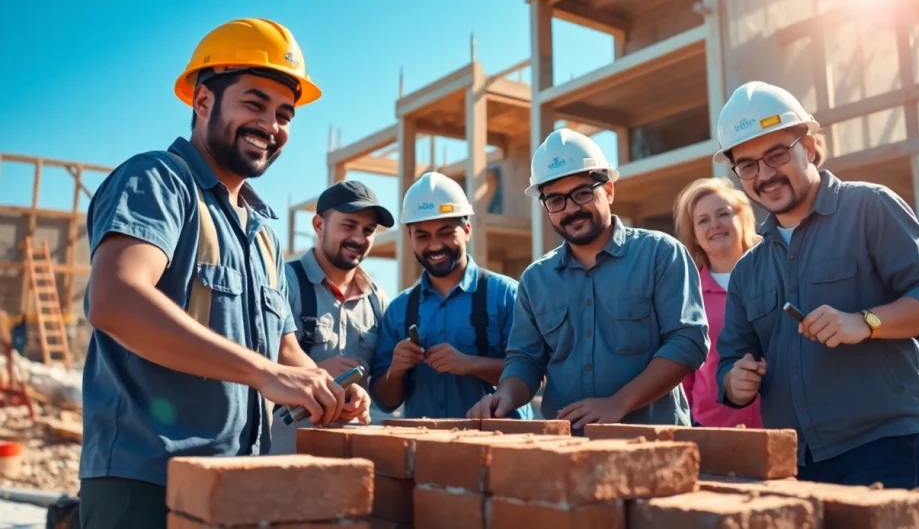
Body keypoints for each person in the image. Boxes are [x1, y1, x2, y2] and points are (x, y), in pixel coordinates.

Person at [79, 18, 371, 529]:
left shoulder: (261, 232)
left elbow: (281, 349)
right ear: (203, 102)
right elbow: (114, 299)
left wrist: (326, 385)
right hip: (147, 483)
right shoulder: (158, 183)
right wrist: (266, 374)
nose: (271, 125)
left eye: (284, 114)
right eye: (254, 104)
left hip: (236, 482)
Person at [713, 81, 919, 490]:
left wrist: (865, 322)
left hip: (884, 448)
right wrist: (735, 383)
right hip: (794, 460)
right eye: (748, 165)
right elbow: (731, 361)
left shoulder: (870, 208)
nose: (765, 175)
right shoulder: (748, 270)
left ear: (809, 147)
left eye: (777, 155)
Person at [467, 128, 709, 430]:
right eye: (555, 200)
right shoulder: (535, 280)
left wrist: (619, 403)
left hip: (655, 443)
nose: (570, 209)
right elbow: (525, 360)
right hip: (568, 450)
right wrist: (503, 395)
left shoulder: (660, 254)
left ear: (608, 190)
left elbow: (688, 342)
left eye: (582, 193)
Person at [369, 172, 532, 420]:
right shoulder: (398, 310)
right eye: (423, 236)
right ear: (410, 238)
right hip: (426, 452)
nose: (435, 245)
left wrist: (469, 364)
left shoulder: (507, 295)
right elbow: (385, 402)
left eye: (446, 232)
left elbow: (533, 373)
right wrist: (395, 371)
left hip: (502, 448)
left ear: (467, 230)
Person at [269, 180, 394, 454]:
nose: (359, 239)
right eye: (349, 226)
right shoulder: (282, 283)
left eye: (368, 230)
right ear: (318, 225)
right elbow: (255, 362)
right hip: (283, 458)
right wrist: (317, 372)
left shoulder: (378, 301)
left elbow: (383, 390)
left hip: (349, 463)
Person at [674, 177, 763, 429]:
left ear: (743, 217)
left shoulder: (776, 275)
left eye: (723, 214)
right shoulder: (686, 293)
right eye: (703, 220)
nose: (714, 225)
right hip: (713, 426)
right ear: (694, 234)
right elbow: (684, 370)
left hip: (784, 421)